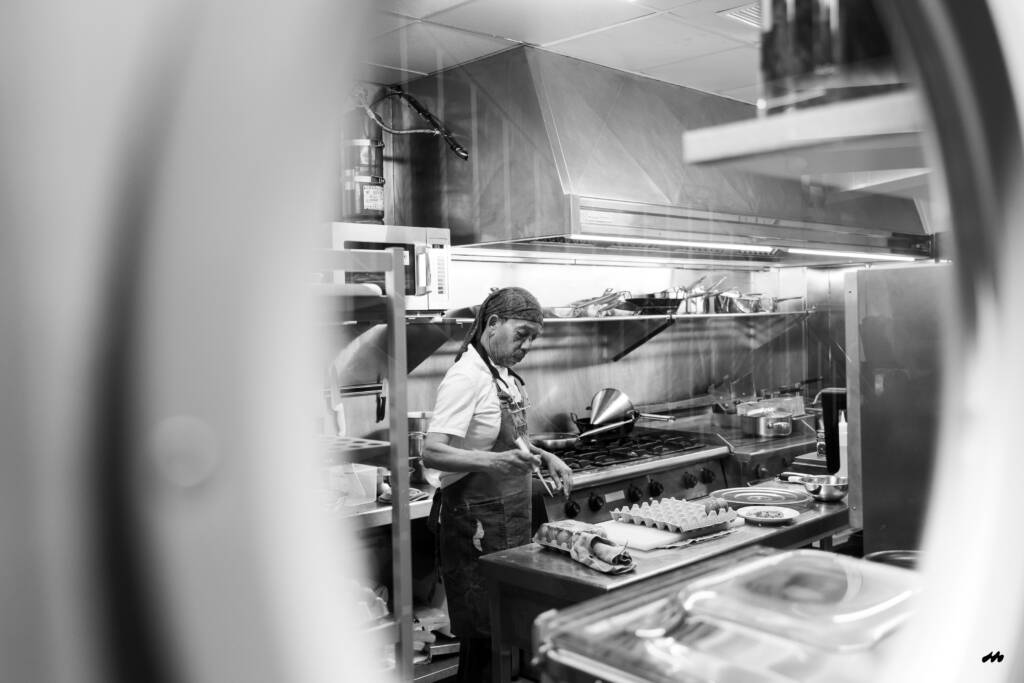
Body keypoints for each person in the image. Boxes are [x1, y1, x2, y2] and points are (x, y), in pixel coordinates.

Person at [423, 286, 573, 682]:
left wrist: (544, 455)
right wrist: (495, 462)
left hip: (507, 520)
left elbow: (507, 440)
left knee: (504, 630)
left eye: (533, 339)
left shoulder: (501, 374)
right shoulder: (466, 377)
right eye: (522, 334)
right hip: (474, 525)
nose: (527, 346)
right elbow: (432, 451)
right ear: (493, 324)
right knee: (484, 634)